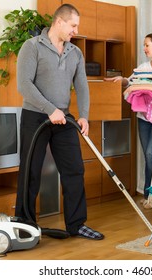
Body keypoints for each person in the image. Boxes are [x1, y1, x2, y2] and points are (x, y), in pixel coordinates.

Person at [15, 4, 104, 240]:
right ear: (59, 22)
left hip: (63, 118)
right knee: (30, 171)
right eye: (73, 25)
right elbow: (24, 85)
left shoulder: (75, 52)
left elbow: (82, 86)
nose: (76, 30)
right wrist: (49, 109)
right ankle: (25, 225)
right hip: (35, 117)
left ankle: (76, 225)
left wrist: (83, 114)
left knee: (74, 169)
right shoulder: (32, 47)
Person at [105, 33, 152, 209]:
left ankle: (151, 196)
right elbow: (132, 81)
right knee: (148, 157)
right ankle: (149, 194)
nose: (144, 48)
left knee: (149, 153)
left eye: (147, 45)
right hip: (143, 117)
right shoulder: (144, 66)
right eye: (144, 45)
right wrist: (122, 80)